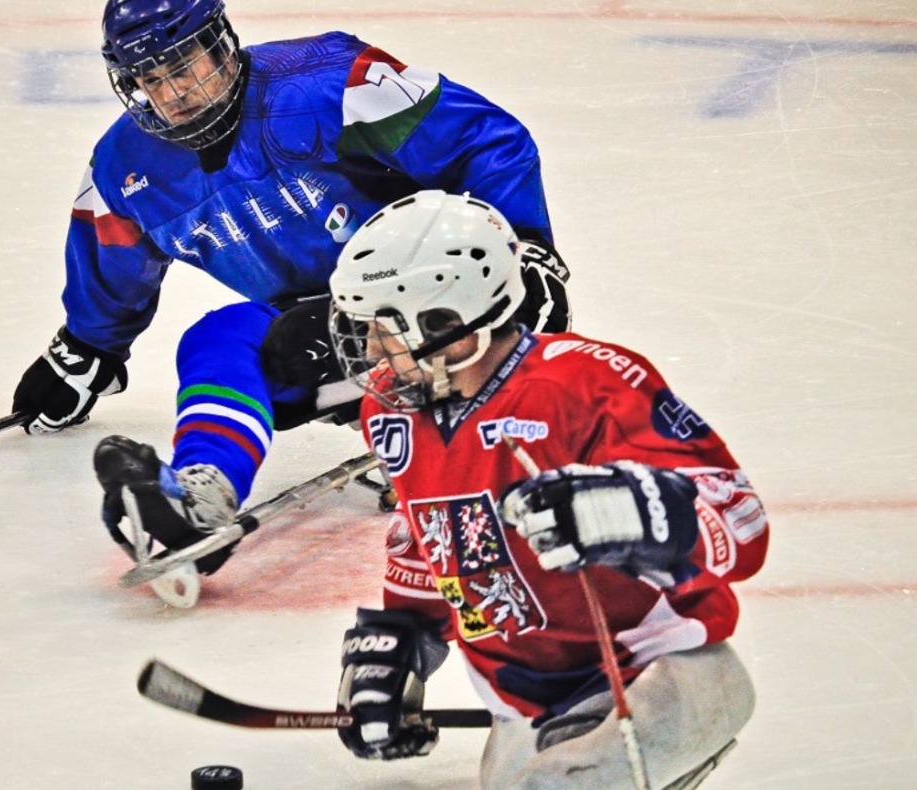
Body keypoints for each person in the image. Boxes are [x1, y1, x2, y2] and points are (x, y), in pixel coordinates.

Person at [8, 0, 572, 572]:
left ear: (220, 46)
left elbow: (487, 142)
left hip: (422, 301)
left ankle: (448, 419)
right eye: (149, 79)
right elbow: (111, 259)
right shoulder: (122, 167)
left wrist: (523, 252)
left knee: (317, 333)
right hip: (312, 330)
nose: (169, 93)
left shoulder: (332, 85)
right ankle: (202, 494)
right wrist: (84, 349)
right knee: (217, 337)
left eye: (182, 68)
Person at [326, 190, 769, 789]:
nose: (373, 350)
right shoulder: (395, 412)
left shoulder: (586, 382)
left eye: (386, 328)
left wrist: (640, 512)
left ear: (450, 326)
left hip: (660, 674)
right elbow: (427, 539)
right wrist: (399, 642)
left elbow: (741, 523)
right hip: (521, 706)